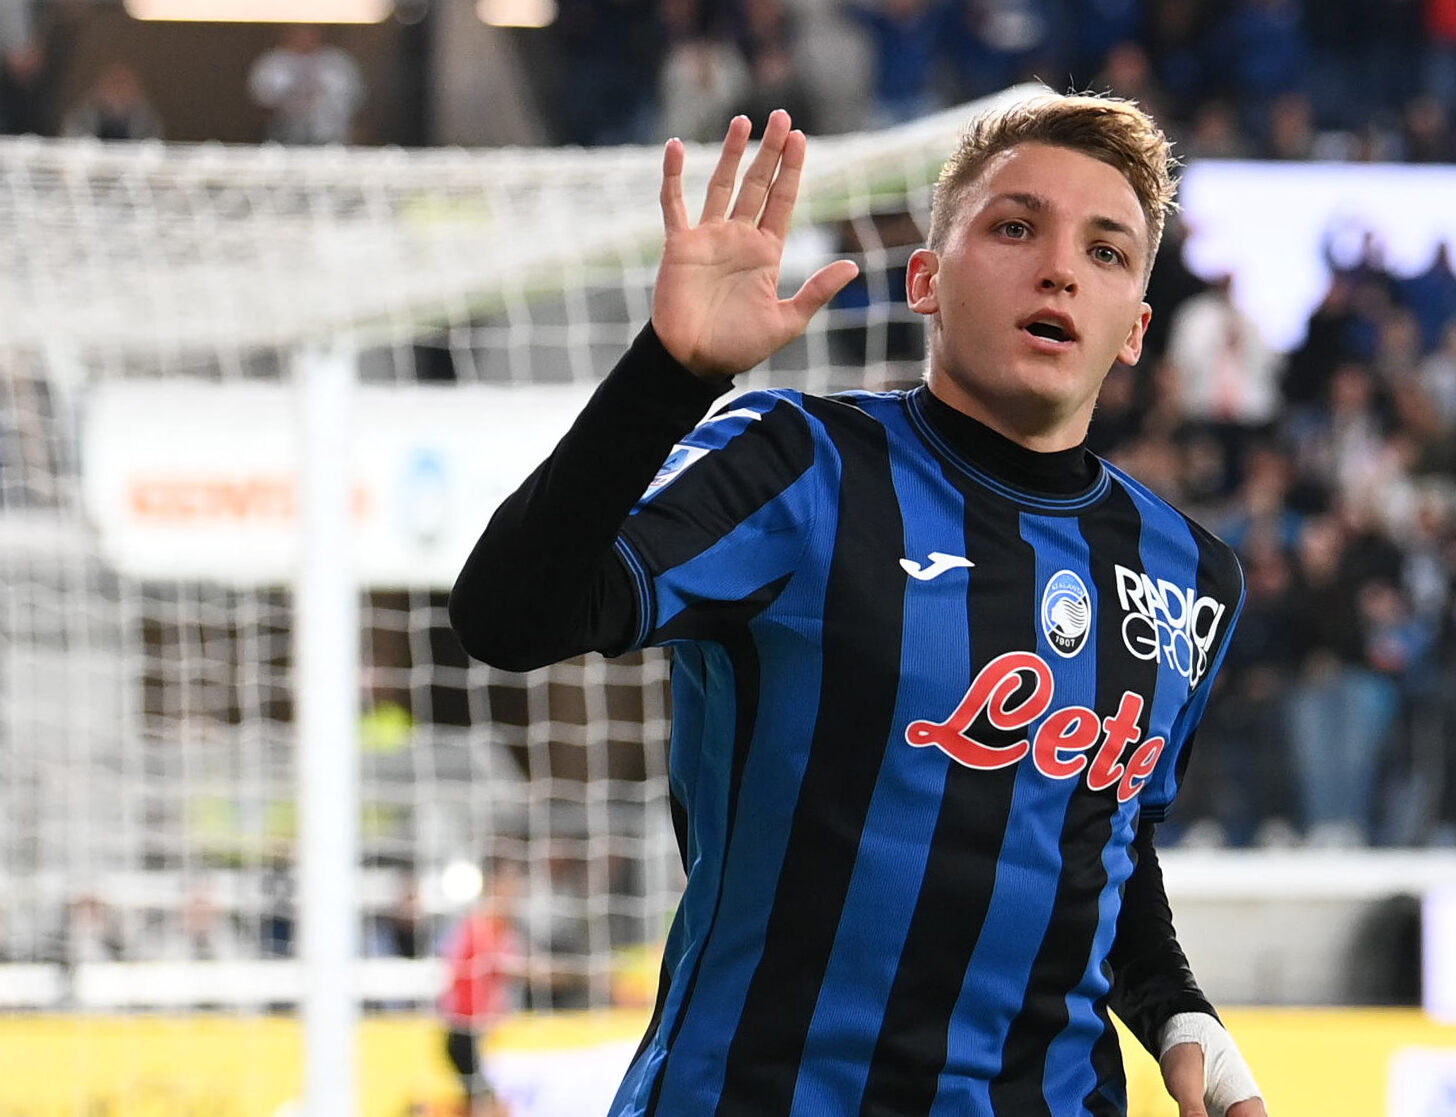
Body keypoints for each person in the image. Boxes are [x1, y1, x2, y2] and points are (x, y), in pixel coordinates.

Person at [450, 98, 1267, 1116]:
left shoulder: (1190, 577)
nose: (1059, 267)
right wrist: (669, 374)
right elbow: (507, 618)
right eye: (1014, 228)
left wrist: (1176, 1006)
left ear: (1137, 327)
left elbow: (1105, 837)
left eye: (1106, 252)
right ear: (924, 278)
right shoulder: (795, 467)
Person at [438, 859, 525, 1117]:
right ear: (494, 886)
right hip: (463, 1031)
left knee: (483, 1102)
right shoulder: (479, 927)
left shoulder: (500, 929)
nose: (515, 893)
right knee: (488, 1105)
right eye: (510, 886)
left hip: (477, 1032)